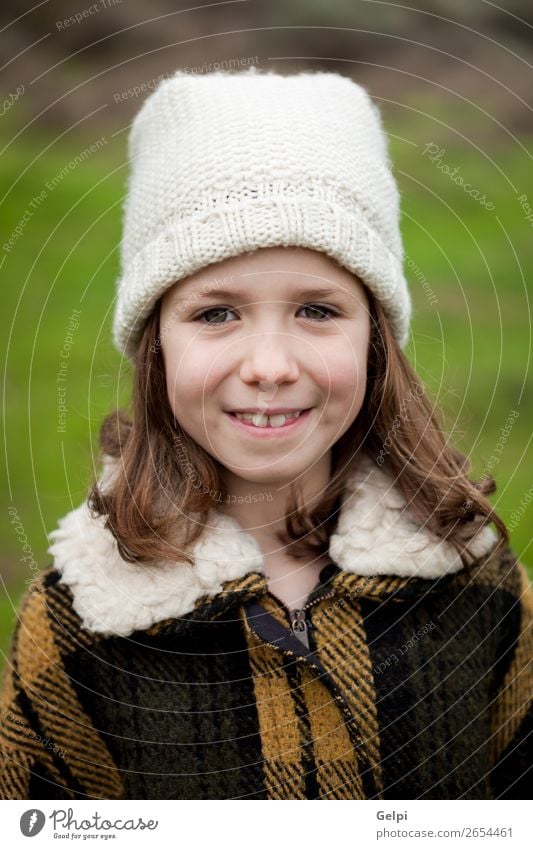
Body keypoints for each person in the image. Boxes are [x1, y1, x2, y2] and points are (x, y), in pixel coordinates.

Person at [0, 67, 531, 801]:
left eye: (317, 309)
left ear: (375, 339)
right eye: (216, 313)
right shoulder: (75, 626)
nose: (270, 366)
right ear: (156, 343)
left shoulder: (477, 587)